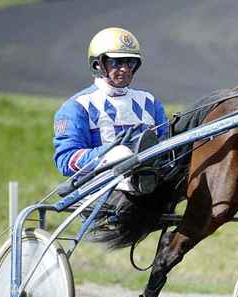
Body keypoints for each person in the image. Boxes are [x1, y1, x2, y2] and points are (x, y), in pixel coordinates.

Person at [53, 27, 168, 191]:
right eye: (117, 62)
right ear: (97, 65)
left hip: (149, 192)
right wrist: (110, 155)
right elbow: (66, 160)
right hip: (101, 198)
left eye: (131, 62)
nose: (125, 69)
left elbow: (167, 146)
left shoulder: (150, 102)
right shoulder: (77, 107)